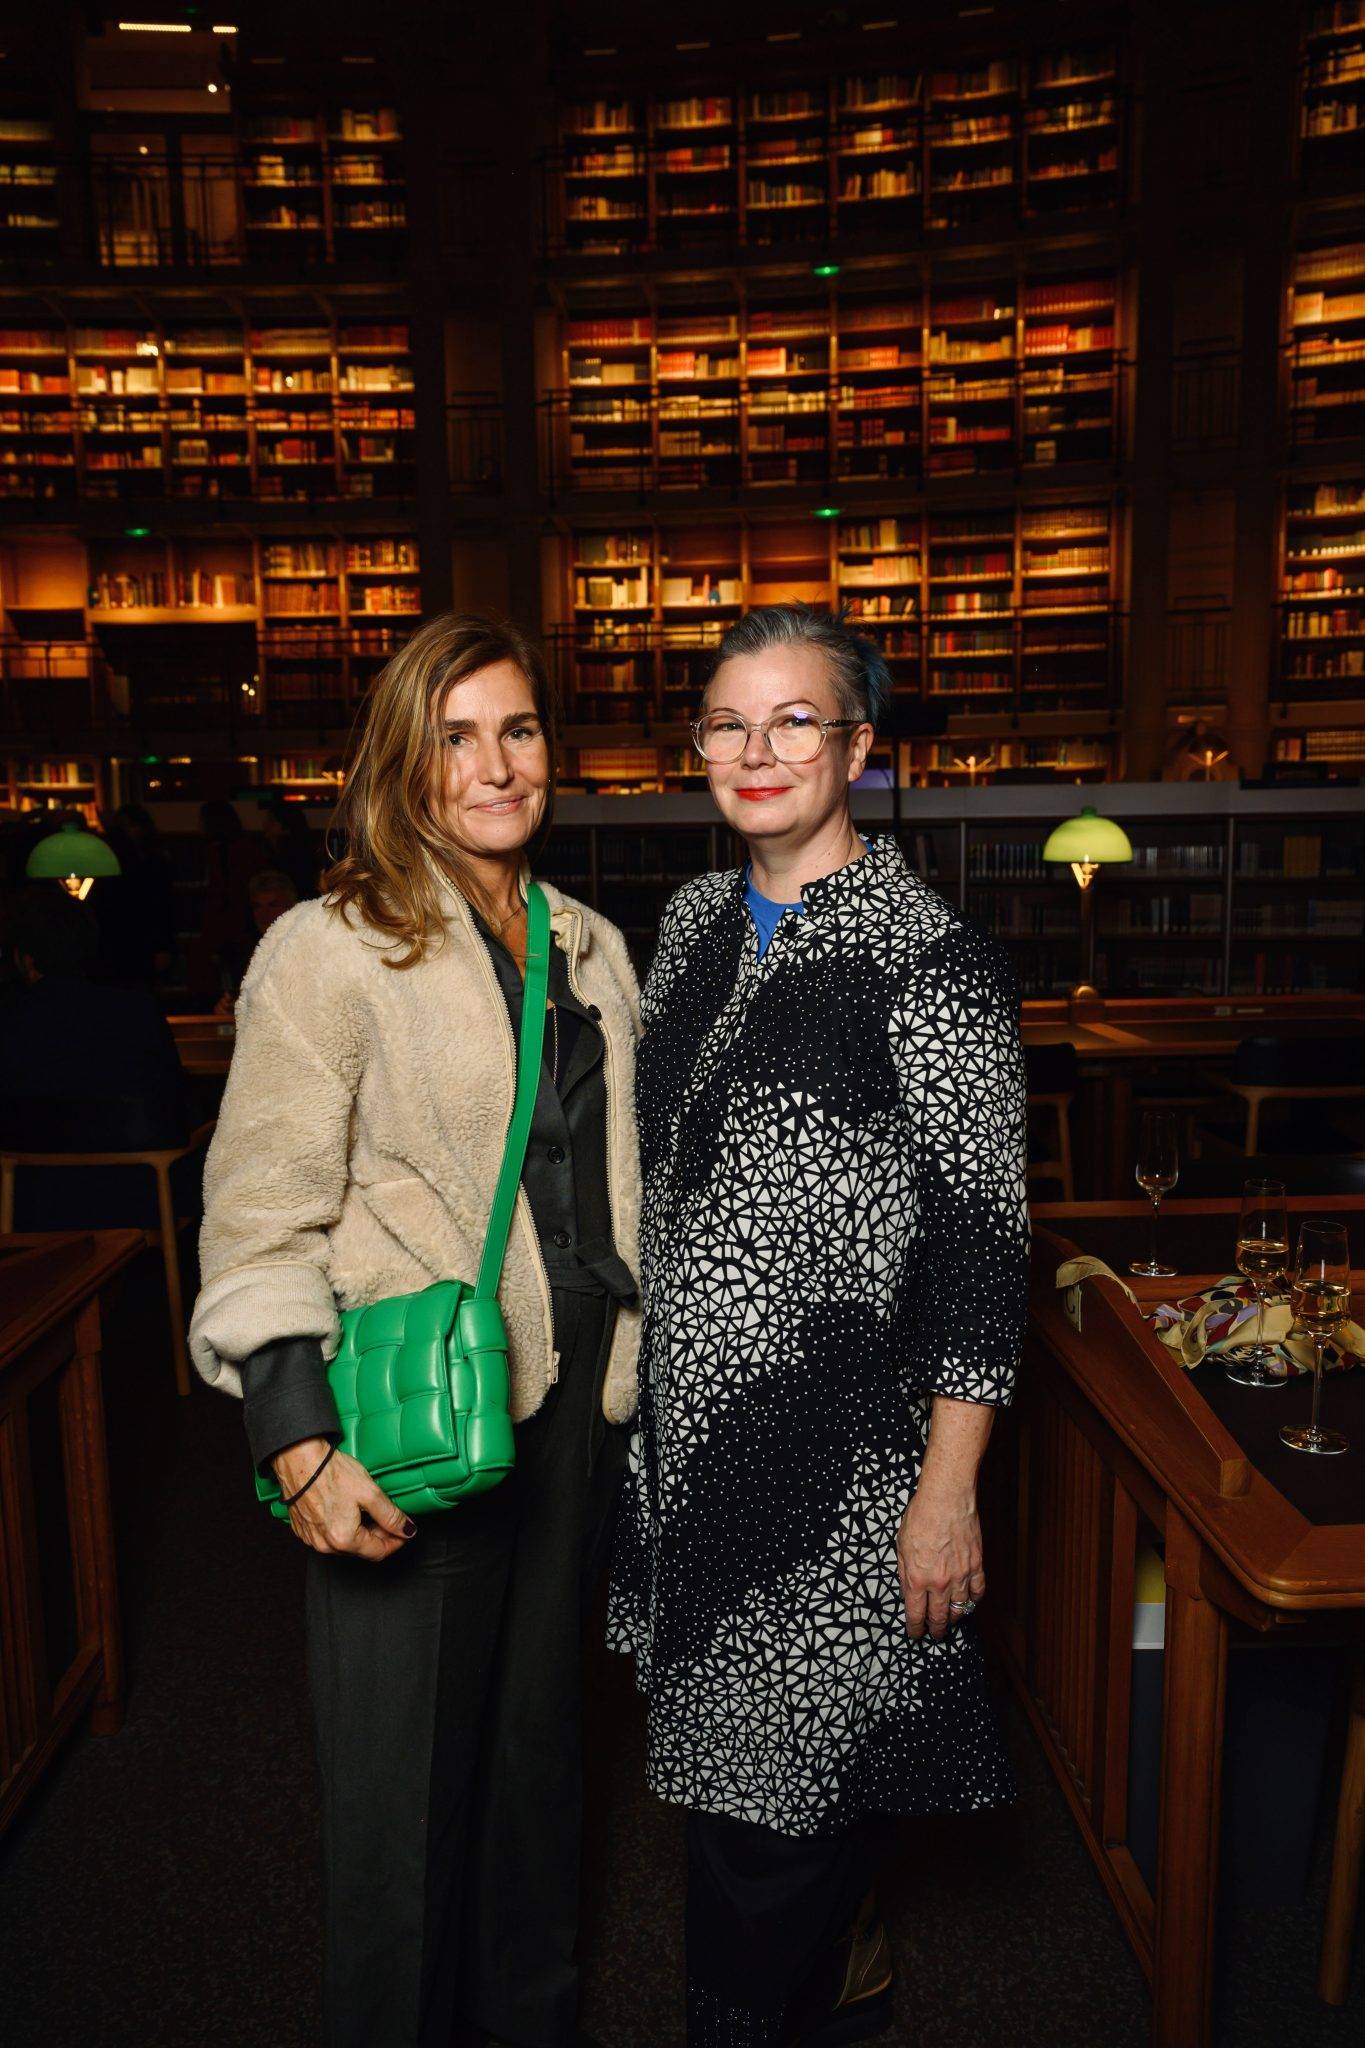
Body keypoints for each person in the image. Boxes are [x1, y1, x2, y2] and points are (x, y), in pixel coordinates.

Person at [188, 614, 642, 2048]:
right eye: (456, 737)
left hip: (573, 1412)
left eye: (517, 730)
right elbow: (260, 1212)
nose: (495, 765)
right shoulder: (329, 948)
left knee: (535, 1779)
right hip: (411, 1414)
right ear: (404, 761)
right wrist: (298, 1439)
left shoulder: (588, 945)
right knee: (400, 1815)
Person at [607, 604, 1031, 2046]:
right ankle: (836, 2000)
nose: (756, 749)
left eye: (795, 719)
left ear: (860, 745)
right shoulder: (684, 928)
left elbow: (984, 1254)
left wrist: (949, 1496)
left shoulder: (934, 964)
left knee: (762, 1836)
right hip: (693, 1455)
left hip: (844, 1481)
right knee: (756, 1813)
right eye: (726, 722)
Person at [0, 886, 191, 1226]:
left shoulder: (11, 1018)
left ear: (25, 959)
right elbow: (175, 1105)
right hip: (139, 1192)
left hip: (28, 1201)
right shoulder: (137, 1010)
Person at [212, 866, 298, 1012]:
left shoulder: (306, 948)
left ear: (291, 907)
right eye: (258, 906)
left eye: (272, 905)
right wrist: (223, 1010)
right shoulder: (243, 952)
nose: (263, 914)